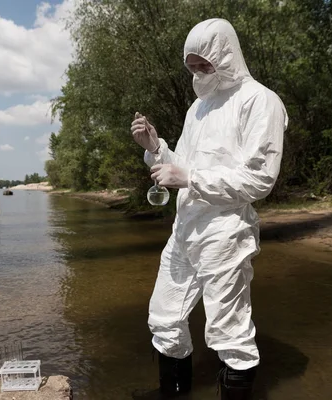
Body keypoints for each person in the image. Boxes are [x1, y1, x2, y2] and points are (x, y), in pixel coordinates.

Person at [130, 18, 288, 399]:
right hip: (184, 230)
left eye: (206, 64)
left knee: (228, 333)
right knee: (164, 320)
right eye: (192, 67)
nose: (199, 73)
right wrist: (154, 148)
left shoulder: (259, 100)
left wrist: (189, 179)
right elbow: (180, 164)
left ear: (226, 55)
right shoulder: (197, 109)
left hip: (226, 233)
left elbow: (259, 179)